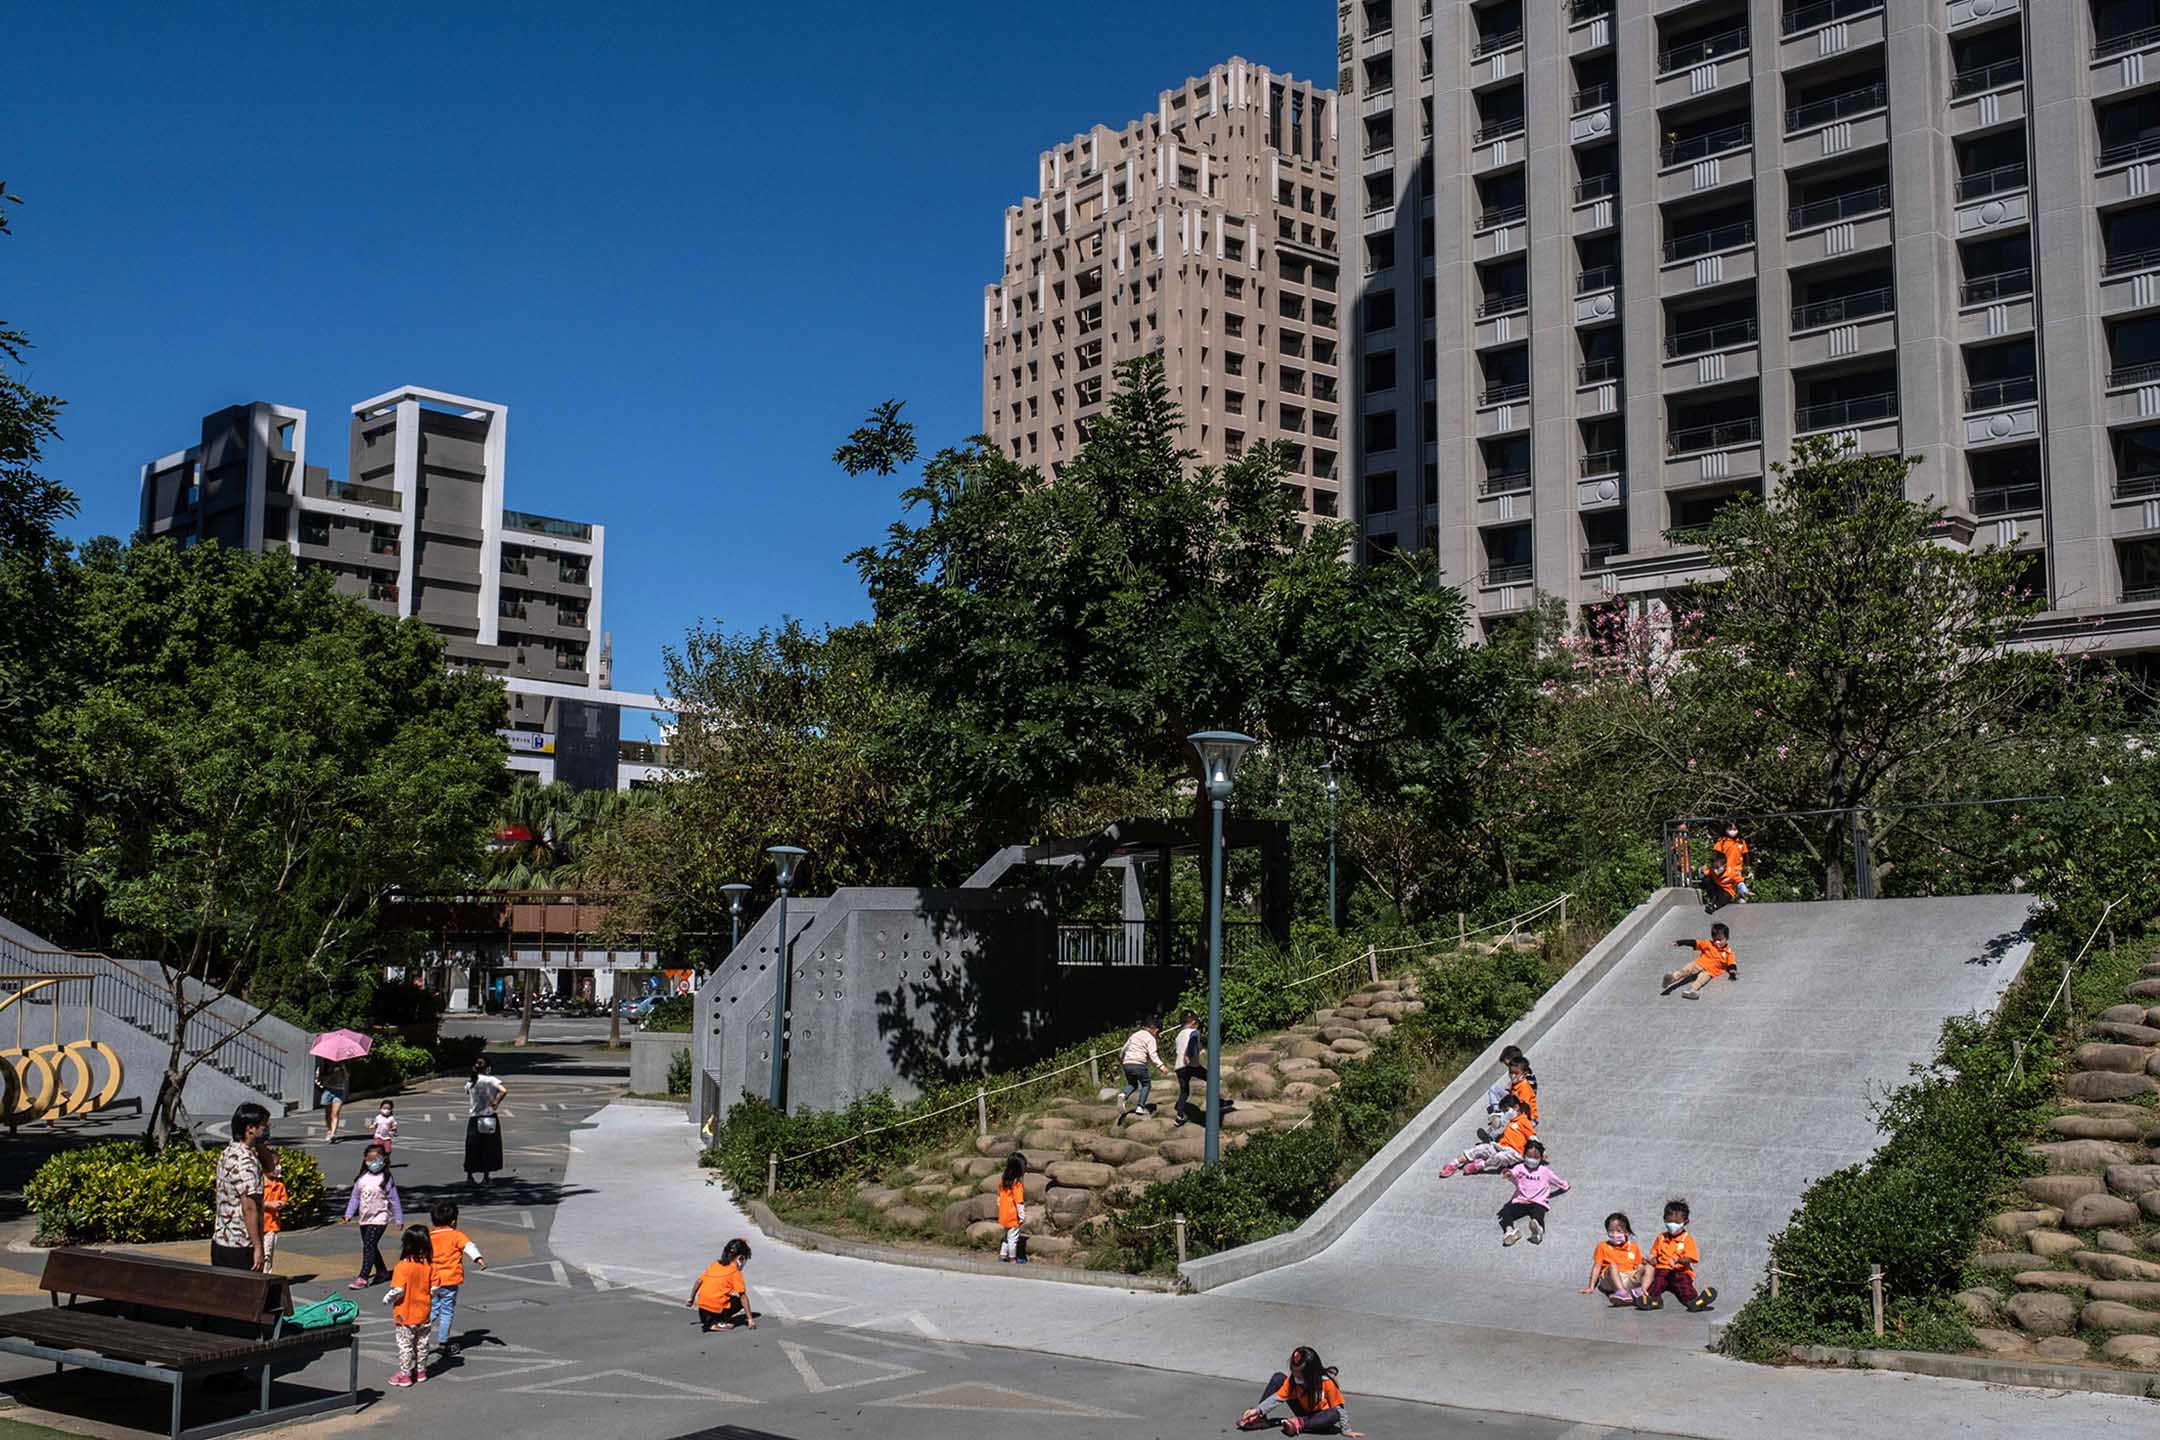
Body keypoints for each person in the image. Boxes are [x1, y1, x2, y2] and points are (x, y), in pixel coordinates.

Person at [1236, 1346, 1358, 1436]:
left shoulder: (1327, 1383)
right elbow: (1277, 1398)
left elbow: (1340, 1410)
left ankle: (1298, 1424)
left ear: (1311, 1374)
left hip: (1318, 1419)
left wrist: (1346, 1430)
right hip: (1302, 1410)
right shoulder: (1293, 1380)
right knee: (1278, 1378)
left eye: (1299, 1375)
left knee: (1334, 1413)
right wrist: (1258, 1410)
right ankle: (1260, 1419)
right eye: (1293, 1372)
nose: (1295, 1377)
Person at [427, 1200, 488, 1361]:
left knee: (432, 1310)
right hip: (450, 1281)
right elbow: (469, 1246)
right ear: (453, 1221)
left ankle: (421, 1337)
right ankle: (443, 1343)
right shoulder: (456, 1235)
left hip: (431, 1280)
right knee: (446, 1312)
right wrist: (478, 1259)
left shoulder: (428, 1236)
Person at [213, 1103, 270, 1272]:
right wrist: (258, 1247)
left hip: (222, 1240)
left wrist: (258, 1144)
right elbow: (249, 1207)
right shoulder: (245, 1163)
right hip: (241, 1245)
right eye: (264, 1126)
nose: (267, 1130)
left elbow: (270, 1167)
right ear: (250, 1129)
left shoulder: (230, 1151)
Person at [342, 1143, 403, 1289]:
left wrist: (399, 1218)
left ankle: (363, 1277)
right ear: (365, 1159)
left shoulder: (386, 1179)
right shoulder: (362, 1179)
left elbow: (394, 1200)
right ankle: (381, 1271)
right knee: (370, 1246)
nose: (374, 1163)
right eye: (371, 1159)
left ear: (384, 1160)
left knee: (369, 1245)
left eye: (378, 1160)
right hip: (365, 1219)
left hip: (380, 1218)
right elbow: (355, 1198)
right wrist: (348, 1214)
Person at [1640, 1198, 1717, 1313]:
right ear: (1664, 1220)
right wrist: (1649, 1259)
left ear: (1685, 1222)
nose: (1673, 1225)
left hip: (1679, 1271)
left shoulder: (1687, 1239)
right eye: (1670, 1222)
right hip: (1662, 1271)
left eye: (1677, 1223)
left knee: (1682, 1282)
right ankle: (1653, 1300)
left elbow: (1691, 1258)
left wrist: (1678, 1260)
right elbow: (1654, 1255)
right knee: (1658, 1280)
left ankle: (1694, 1301)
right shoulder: (1661, 1237)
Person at [383, 1224, 436, 1386]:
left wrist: (387, 1298)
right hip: (424, 1312)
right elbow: (435, 1288)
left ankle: (405, 1374)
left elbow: (398, 1290)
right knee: (422, 1343)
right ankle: (421, 1371)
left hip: (405, 1314)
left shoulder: (402, 1266)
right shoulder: (429, 1265)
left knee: (405, 1345)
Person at [1437, 1092, 1534, 1177]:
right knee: (1480, 1149)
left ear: (1516, 1108)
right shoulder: (1510, 1122)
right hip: (1500, 1147)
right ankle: (1454, 1163)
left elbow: (1532, 1137)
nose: (1504, 1114)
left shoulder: (1524, 1121)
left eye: (1506, 1110)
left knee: (1499, 1157)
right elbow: (1498, 1129)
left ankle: (1480, 1165)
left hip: (1515, 1153)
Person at [1497, 1139, 1569, 1246]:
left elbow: (1557, 1181)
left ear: (1541, 1158)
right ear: (1524, 1155)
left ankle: (1538, 1232)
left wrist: (1564, 1185)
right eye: (1529, 1156)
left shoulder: (1545, 1171)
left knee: (1538, 1215)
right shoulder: (1520, 1168)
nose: (1532, 1160)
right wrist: (1508, 1173)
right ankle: (1510, 1231)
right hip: (1521, 1201)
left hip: (1538, 1202)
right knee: (1506, 1212)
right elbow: (1513, 1173)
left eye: (1535, 1157)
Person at [686, 1238, 756, 1332]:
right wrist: (750, 1319)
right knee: (738, 1301)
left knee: (725, 1298)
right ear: (740, 1258)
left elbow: (698, 1282)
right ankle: (717, 1322)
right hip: (714, 1310)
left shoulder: (714, 1265)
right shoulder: (735, 1272)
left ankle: (712, 1321)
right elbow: (743, 1296)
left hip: (702, 1308)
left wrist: (691, 1298)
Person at [1582, 1211, 1651, 1306]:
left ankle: (1641, 1291)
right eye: (1611, 1231)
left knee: (1649, 1266)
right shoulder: (1602, 1246)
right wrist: (1591, 1287)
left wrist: (1645, 1265)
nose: (1614, 1234)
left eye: (1618, 1231)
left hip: (1628, 1278)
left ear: (1626, 1232)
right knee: (1613, 1266)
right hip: (1610, 1279)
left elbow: (1637, 1267)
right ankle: (1622, 1293)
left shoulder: (1633, 1247)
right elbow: (1597, 1267)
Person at [1661, 923, 1738, 1000]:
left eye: (1720, 940)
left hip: (1710, 971)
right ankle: (1671, 978)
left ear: (1727, 938)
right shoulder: (1708, 944)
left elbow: (1731, 963)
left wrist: (1732, 973)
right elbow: (1695, 942)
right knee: (1686, 970)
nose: (1717, 942)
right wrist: (1680, 942)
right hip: (1699, 963)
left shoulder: (1728, 952)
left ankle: (1690, 991)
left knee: (1701, 980)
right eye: (1715, 940)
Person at [464, 1056, 507, 1185]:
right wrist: (496, 1102)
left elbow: (468, 1093)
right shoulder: (491, 1080)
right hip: (488, 1116)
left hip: (474, 1117)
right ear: (487, 1068)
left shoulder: (470, 1082)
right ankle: (486, 1177)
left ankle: (470, 1177)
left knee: (472, 1147)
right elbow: (504, 1091)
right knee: (488, 1147)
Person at [1117, 1018, 1171, 1118]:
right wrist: (1161, 1066)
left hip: (1127, 1064)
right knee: (1146, 1084)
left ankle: (1123, 1095)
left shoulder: (1134, 1035)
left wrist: (1121, 1058)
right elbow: (1153, 1055)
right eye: (1158, 1032)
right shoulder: (1150, 1038)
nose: (1158, 1034)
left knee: (1132, 1084)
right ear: (1155, 1029)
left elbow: (1124, 1049)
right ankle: (1140, 1107)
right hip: (1139, 1064)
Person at [1477, 1046, 1535, 1140]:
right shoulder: (1518, 1075)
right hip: (1514, 1098)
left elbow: (1524, 1102)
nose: (1511, 1074)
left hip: (1522, 1108)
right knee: (1493, 1089)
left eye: (1509, 1066)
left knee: (1507, 1116)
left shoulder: (1526, 1082)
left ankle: (1493, 1134)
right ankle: (1497, 1111)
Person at [1171, 1009, 1207, 1126]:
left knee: (1184, 1092)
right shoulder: (1194, 1032)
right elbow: (1191, 1042)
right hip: (1191, 1065)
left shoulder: (1178, 1036)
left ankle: (1179, 1116)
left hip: (1179, 1067)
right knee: (1212, 1078)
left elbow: (1177, 1050)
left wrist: (1199, 1050)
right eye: (1197, 1022)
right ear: (1193, 1022)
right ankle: (1218, 1103)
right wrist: (1189, 1055)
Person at [996, 1154, 1029, 1264]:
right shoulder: (1017, 1185)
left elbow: (999, 1199)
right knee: (1013, 1239)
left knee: (1006, 1237)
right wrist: (1022, 1216)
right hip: (1012, 1216)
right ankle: (1012, 1259)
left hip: (1003, 1215)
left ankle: (1002, 1256)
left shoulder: (1003, 1182)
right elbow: (1019, 1202)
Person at [258, 1150, 287, 1275]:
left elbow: (284, 1199)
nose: (278, 1168)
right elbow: (254, 1203)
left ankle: (266, 1275)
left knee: (267, 1253)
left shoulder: (279, 1185)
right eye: (275, 1165)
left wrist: (281, 1204)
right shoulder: (258, 1184)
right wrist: (269, 1205)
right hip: (258, 1225)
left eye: (278, 1164)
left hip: (272, 1226)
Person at [1713, 821, 1753, 903]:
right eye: (1730, 829)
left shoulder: (1741, 842)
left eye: (1735, 829)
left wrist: (1747, 867)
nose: (1733, 831)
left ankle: (1743, 896)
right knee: (1726, 887)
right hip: (1725, 869)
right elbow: (1715, 854)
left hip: (1737, 869)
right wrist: (1717, 866)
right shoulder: (1722, 841)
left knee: (1739, 882)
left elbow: (1745, 855)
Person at [316, 1058, 351, 1144]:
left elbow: (347, 1077)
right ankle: (329, 1130)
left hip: (339, 1091)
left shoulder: (345, 1064)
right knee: (328, 1114)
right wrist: (332, 1074)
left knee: (335, 1113)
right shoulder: (326, 1064)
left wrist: (343, 1068)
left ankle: (333, 1134)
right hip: (328, 1090)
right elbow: (320, 1078)